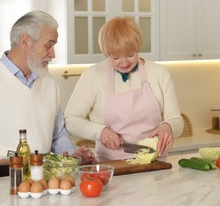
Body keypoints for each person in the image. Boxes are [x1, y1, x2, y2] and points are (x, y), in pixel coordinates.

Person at [0, 10, 95, 184]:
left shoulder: (49, 82)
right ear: (26, 41)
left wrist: (68, 156)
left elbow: (58, 135)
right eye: (48, 45)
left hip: (43, 181)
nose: (53, 54)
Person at [64, 16, 184, 161]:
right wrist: (101, 132)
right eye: (115, 58)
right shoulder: (93, 75)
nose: (124, 63)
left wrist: (168, 126)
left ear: (138, 47)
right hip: (112, 167)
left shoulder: (159, 73)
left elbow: (176, 120)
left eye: (130, 55)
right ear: (106, 53)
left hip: (155, 164)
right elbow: (70, 120)